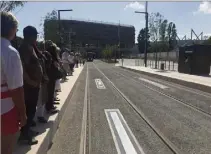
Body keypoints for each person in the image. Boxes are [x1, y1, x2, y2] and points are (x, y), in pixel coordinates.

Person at [1, 12, 27, 154]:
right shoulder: (10, 52)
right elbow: (16, 88)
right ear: (11, 29)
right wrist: (23, 113)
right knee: (6, 149)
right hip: (5, 108)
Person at [18, 26, 43, 145]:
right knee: (29, 109)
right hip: (29, 86)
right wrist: (30, 81)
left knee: (31, 110)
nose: (36, 38)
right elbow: (22, 68)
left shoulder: (31, 47)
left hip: (34, 85)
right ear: (30, 36)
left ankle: (27, 130)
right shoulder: (24, 49)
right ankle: (25, 135)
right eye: (35, 35)